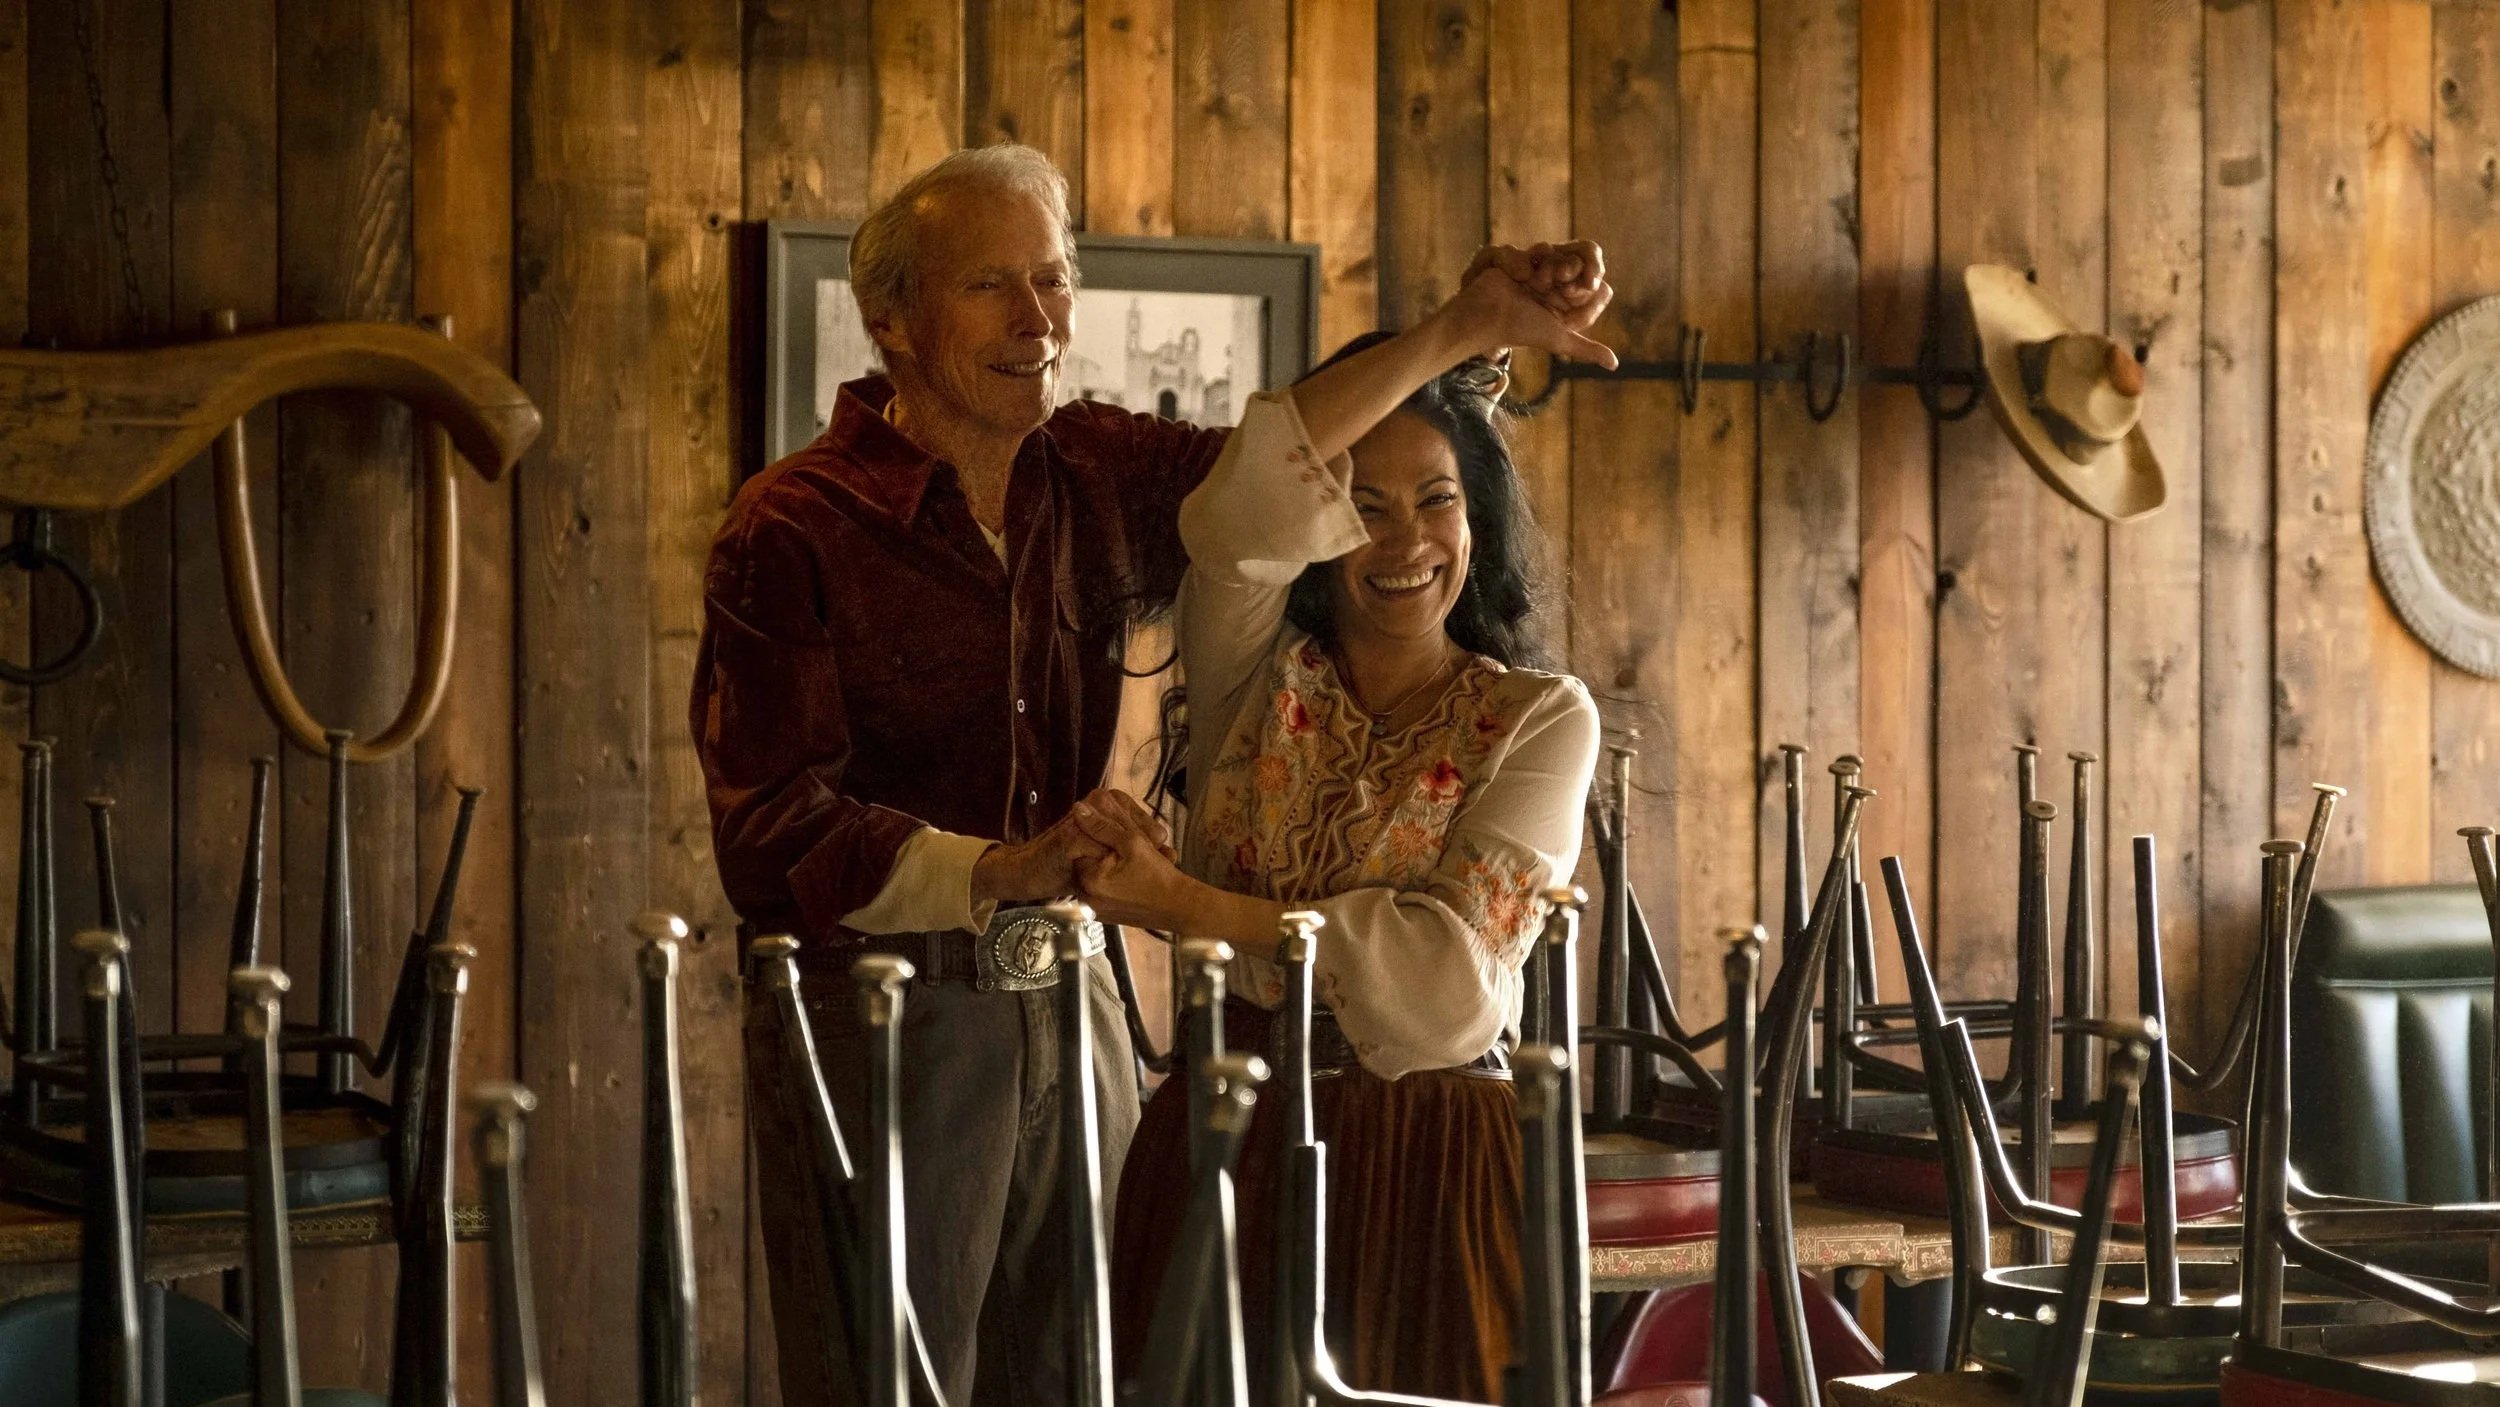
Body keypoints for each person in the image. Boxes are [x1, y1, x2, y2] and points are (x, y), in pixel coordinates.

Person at [691, 137, 1611, 1406]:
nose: (1037, 320)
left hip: (1079, 1010)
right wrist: (997, 869)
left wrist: (1466, 329)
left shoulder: (1096, 466)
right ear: (889, 318)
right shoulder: (791, 522)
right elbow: (771, 830)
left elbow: (1275, 474)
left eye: (1054, 279)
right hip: (890, 1014)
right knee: (891, 1382)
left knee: (1087, 1378)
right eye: (989, 285)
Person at [1085, 268, 1611, 1399]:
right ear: (1322, 529)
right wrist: (1461, 329)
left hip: (1434, 1165)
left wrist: (1187, 905)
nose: (1405, 540)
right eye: (1364, 506)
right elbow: (1230, 516)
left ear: (1476, 517)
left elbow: (1446, 993)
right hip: (1228, 1135)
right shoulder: (1250, 664)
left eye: (1437, 499)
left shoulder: (1538, 718)